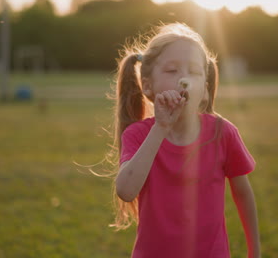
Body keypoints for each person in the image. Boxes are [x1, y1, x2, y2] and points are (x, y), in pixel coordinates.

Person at [110, 22, 260, 258]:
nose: (184, 79)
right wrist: (161, 128)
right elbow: (126, 191)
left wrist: (255, 252)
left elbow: (243, 194)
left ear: (205, 89)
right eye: (172, 71)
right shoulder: (138, 135)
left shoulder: (223, 134)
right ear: (147, 85)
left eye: (194, 72)